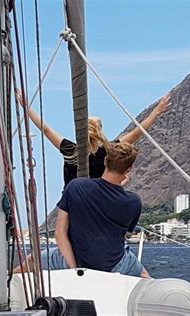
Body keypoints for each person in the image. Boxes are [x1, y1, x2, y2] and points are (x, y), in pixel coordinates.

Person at [14, 142, 149, 278]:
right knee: (144, 275)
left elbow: (60, 232)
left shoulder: (77, 186)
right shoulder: (133, 201)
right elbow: (113, 228)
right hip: (115, 265)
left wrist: (74, 269)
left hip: (75, 261)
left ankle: (7, 285)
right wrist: (118, 188)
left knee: (32, 261)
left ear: (105, 161)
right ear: (129, 169)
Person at [17, 90, 170, 188]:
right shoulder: (109, 150)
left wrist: (27, 107)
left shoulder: (71, 150)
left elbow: (47, 130)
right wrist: (156, 112)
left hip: (73, 202)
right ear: (99, 130)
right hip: (97, 201)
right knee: (123, 181)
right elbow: (138, 131)